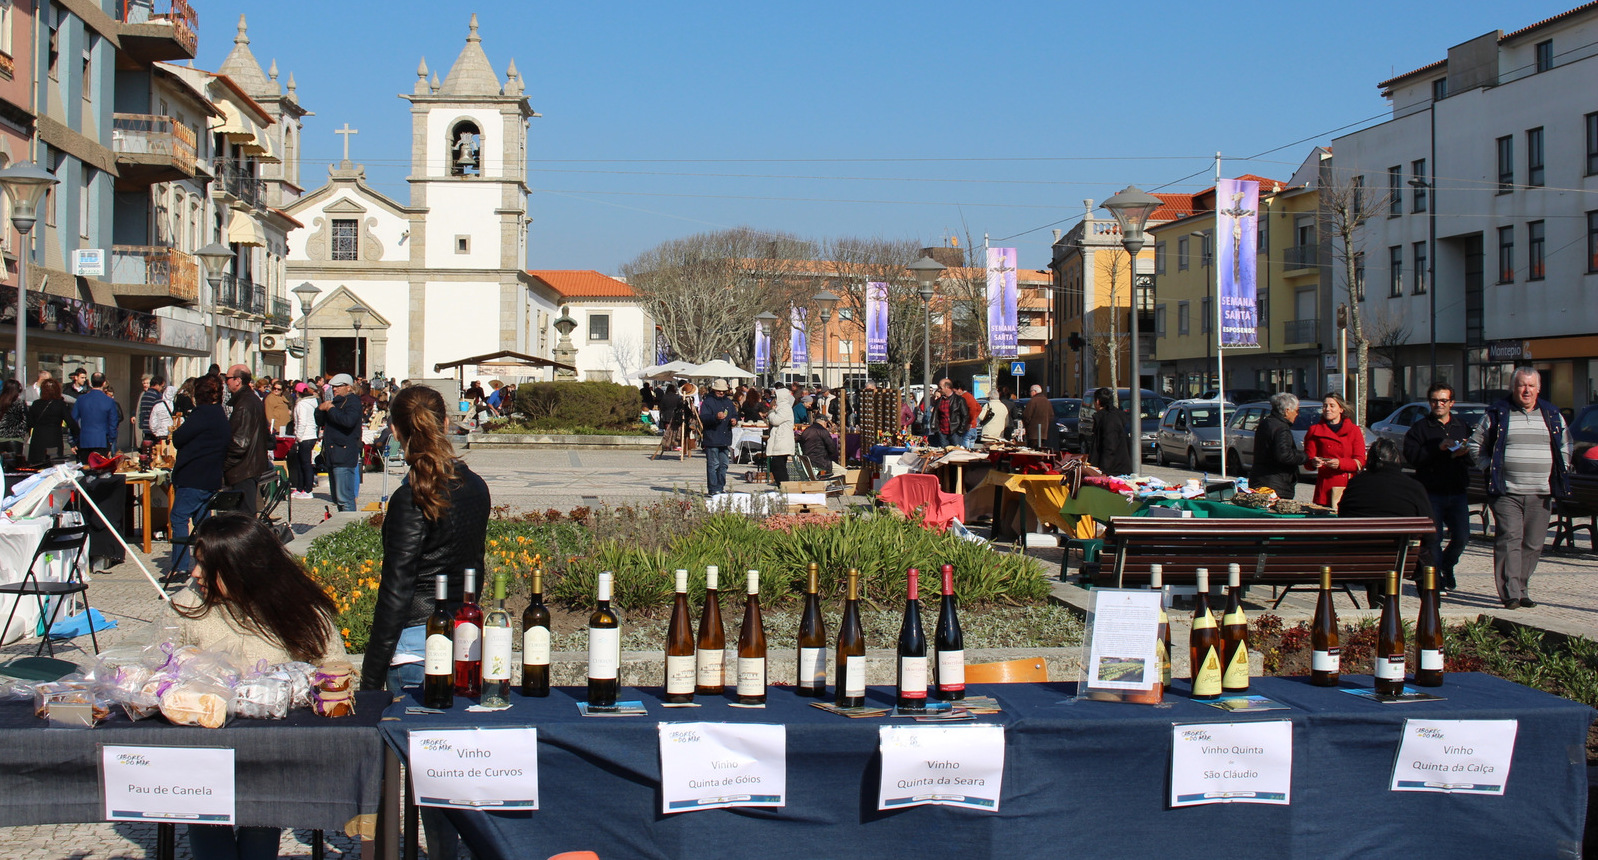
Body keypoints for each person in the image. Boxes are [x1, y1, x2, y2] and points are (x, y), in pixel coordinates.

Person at [172, 512, 349, 860]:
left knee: (261, 814)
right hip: (206, 750)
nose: (195, 574)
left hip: (274, 752)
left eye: (207, 567)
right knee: (204, 809)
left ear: (242, 568)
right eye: (196, 564)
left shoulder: (300, 610)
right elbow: (159, 671)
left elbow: (334, 673)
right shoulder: (189, 604)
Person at [361, 385, 489, 860]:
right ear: (448, 422)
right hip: (464, 638)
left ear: (395, 431)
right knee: (445, 777)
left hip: (417, 643)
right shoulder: (474, 486)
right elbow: (472, 568)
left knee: (405, 779)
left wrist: (370, 680)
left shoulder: (412, 495)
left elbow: (395, 592)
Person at [1468, 367, 1570, 610]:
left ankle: (1522, 587)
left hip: (1541, 492)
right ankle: (1510, 592)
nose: (1526, 390)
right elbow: (1475, 445)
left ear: (1539, 388)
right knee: (1510, 537)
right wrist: (1488, 467)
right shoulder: (1498, 414)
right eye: (1521, 385)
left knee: (1533, 544)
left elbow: (1566, 445)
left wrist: (1561, 468)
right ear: (1513, 388)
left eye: (1531, 386)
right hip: (1507, 492)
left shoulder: (1552, 414)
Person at [1337, 438, 1434, 607]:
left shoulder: (1355, 484)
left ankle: (1379, 605)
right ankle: (1432, 611)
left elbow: (1343, 517)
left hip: (1359, 558)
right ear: (1397, 459)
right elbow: (1430, 532)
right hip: (1402, 559)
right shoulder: (1412, 486)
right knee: (1425, 558)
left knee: (1376, 550)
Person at [1402, 382, 1474, 591]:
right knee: (1433, 538)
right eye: (1434, 400)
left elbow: (1473, 457)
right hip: (1431, 492)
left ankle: (1447, 564)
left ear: (1451, 403)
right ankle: (1436, 579)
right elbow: (1413, 457)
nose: (1439, 404)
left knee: (1462, 537)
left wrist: (1464, 453)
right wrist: (1438, 449)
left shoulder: (1461, 426)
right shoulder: (1420, 428)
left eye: (1443, 400)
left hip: (1457, 491)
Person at [169, 376, 231, 575]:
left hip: (193, 476)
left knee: (179, 518)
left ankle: (179, 566)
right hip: (210, 477)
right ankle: (205, 563)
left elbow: (178, 438)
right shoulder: (220, 415)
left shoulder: (202, 414)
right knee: (202, 524)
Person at [222, 366, 271, 517]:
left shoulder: (245, 403)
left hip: (243, 468)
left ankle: (249, 541)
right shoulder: (249, 399)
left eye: (228, 379)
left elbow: (239, 443)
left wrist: (224, 465)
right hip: (248, 465)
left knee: (243, 517)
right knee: (245, 515)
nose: (226, 382)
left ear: (238, 381)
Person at [1303, 392, 1365, 508]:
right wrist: (1313, 462)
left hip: (1347, 486)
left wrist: (1340, 463)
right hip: (1325, 486)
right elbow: (1307, 460)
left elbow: (1360, 461)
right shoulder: (1314, 430)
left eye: (1332, 406)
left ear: (1341, 409)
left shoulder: (1354, 431)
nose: (1327, 409)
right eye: (1325, 406)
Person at [318, 373, 365, 512]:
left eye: (338, 386)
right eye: (333, 386)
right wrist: (320, 410)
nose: (334, 389)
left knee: (345, 498)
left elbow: (348, 421)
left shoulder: (352, 402)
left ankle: (349, 529)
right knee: (337, 498)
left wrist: (331, 409)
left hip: (343, 454)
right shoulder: (336, 402)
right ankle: (342, 527)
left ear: (348, 387)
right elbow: (321, 422)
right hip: (333, 454)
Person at [1250, 392, 1307, 498]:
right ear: (1287, 411)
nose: (1297, 414)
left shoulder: (1266, 423)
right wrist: (1305, 456)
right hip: (1276, 484)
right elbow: (1284, 455)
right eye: (1296, 410)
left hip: (1260, 479)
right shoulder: (1281, 428)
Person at [71, 372, 122, 463]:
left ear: (90, 383)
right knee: (101, 470)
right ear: (104, 383)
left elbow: (73, 420)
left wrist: (74, 440)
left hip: (84, 440)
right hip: (102, 440)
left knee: (86, 469)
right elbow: (113, 423)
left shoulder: (81, 399)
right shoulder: (109, 401)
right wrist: (111, 440)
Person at [699, 378, 737, 495]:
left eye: (723, 391)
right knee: (713, 464)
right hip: (712, 438)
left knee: (724, 464)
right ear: (714, 390)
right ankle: (713, 488)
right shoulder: (708, 402)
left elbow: (735, 414)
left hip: (725, 438)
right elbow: (703, 418)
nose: (721, 393)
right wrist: (715, 417)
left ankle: (720, 487)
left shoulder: (728, 402)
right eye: (719, 391)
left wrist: (734, 420)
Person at [26, 379, 77, 464]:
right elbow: (71, 423)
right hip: (54, 439)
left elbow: (30, 423)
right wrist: (76, 437)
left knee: (37, 466)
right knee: (54, 466)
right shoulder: (60, 404)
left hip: (37, 439)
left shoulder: (36, 404)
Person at [1087, 388, 1133, 476]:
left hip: (1114, 471)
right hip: (1118, 467)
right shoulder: (1114, 416)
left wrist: (1104, 471)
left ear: (1097, 402)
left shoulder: (1109, 419)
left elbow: (1110, 446)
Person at [292, 383, 321, 499]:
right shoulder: (312, 402)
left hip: (305, 436)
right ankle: (300, 488)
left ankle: (308, 489)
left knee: (305, 464)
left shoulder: (302, 404)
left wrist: (298, 436)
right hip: (311, 434)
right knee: (301, 463)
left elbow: (302, 421)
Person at [767, 387, 796, 484]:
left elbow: (775, 420)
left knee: (778, 466)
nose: (773, 399)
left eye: (775, 397)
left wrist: (771, 411)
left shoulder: (785, 408)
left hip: (782, 440)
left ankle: (784, 486)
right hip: (780, 439)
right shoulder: (781, 407)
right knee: (777, 465)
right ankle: (782, 486)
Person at [136, 376, 168, 445]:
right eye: (162, 387)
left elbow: (142, 413)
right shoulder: (157, 396)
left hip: (146, 427)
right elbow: (159, 413)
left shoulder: (145, 395)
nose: (162, 389)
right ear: (157, 385)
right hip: (154, 429)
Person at [1021, 385, 1054, 450]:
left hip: (1033, 432)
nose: (1030, 393)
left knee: (1032, 451)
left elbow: (1026, 416)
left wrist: (1026, 425)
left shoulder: (1033, 401)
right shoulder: (1047, 401)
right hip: (1044, 432)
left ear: (1034, 392)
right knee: (1041, 449)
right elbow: (1051, 416)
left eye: (1030, 391)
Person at [0, 380, 26, 457]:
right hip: (15, 438)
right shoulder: (19, 403)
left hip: (0, 437)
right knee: (15, 464)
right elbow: (26, 419)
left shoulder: (1, 402)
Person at [955, 382, 981, 448]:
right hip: (973, 426)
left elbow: (973, 409)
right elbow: (979, 408)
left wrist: (969, 421)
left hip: (968, 427)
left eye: (954, 391)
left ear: (959, 389)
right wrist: (974, 418)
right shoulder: (970, 396)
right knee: (971, 448)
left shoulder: (965, 397)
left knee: (965, 449)